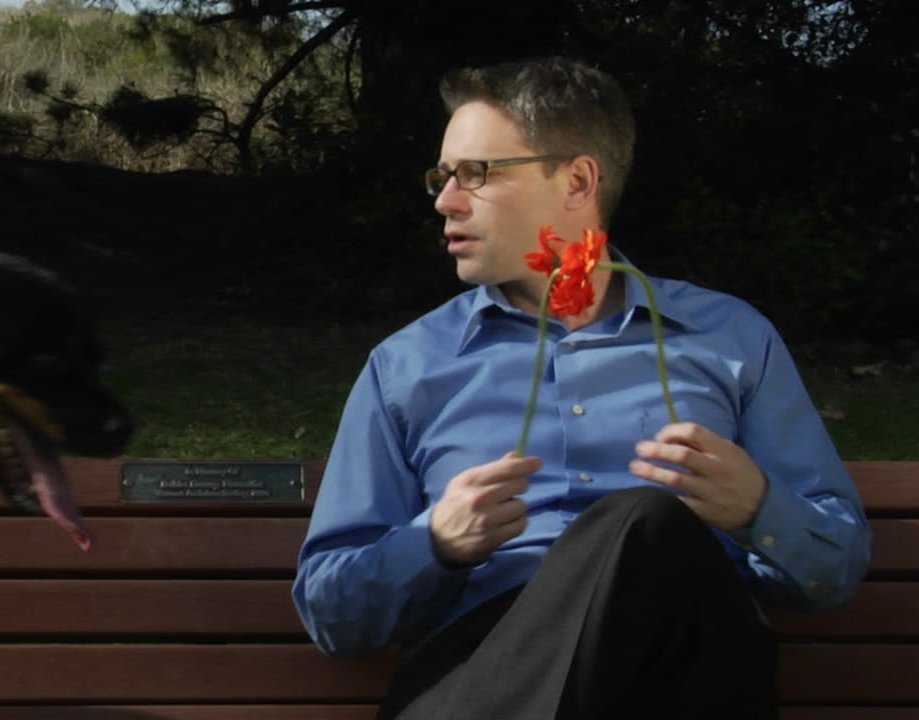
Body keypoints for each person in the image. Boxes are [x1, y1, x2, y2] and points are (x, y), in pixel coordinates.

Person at [291, 55, 871, 719]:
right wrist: (434, 543)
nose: (444, 200)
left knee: (647, 525)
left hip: (685, 666)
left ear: (577, 181)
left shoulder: (731, 339)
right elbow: (332, 617)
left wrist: (758, 508)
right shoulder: (408, 366)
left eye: (475, 174)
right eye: (443, 176)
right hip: (486, 673)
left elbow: (838, 571)